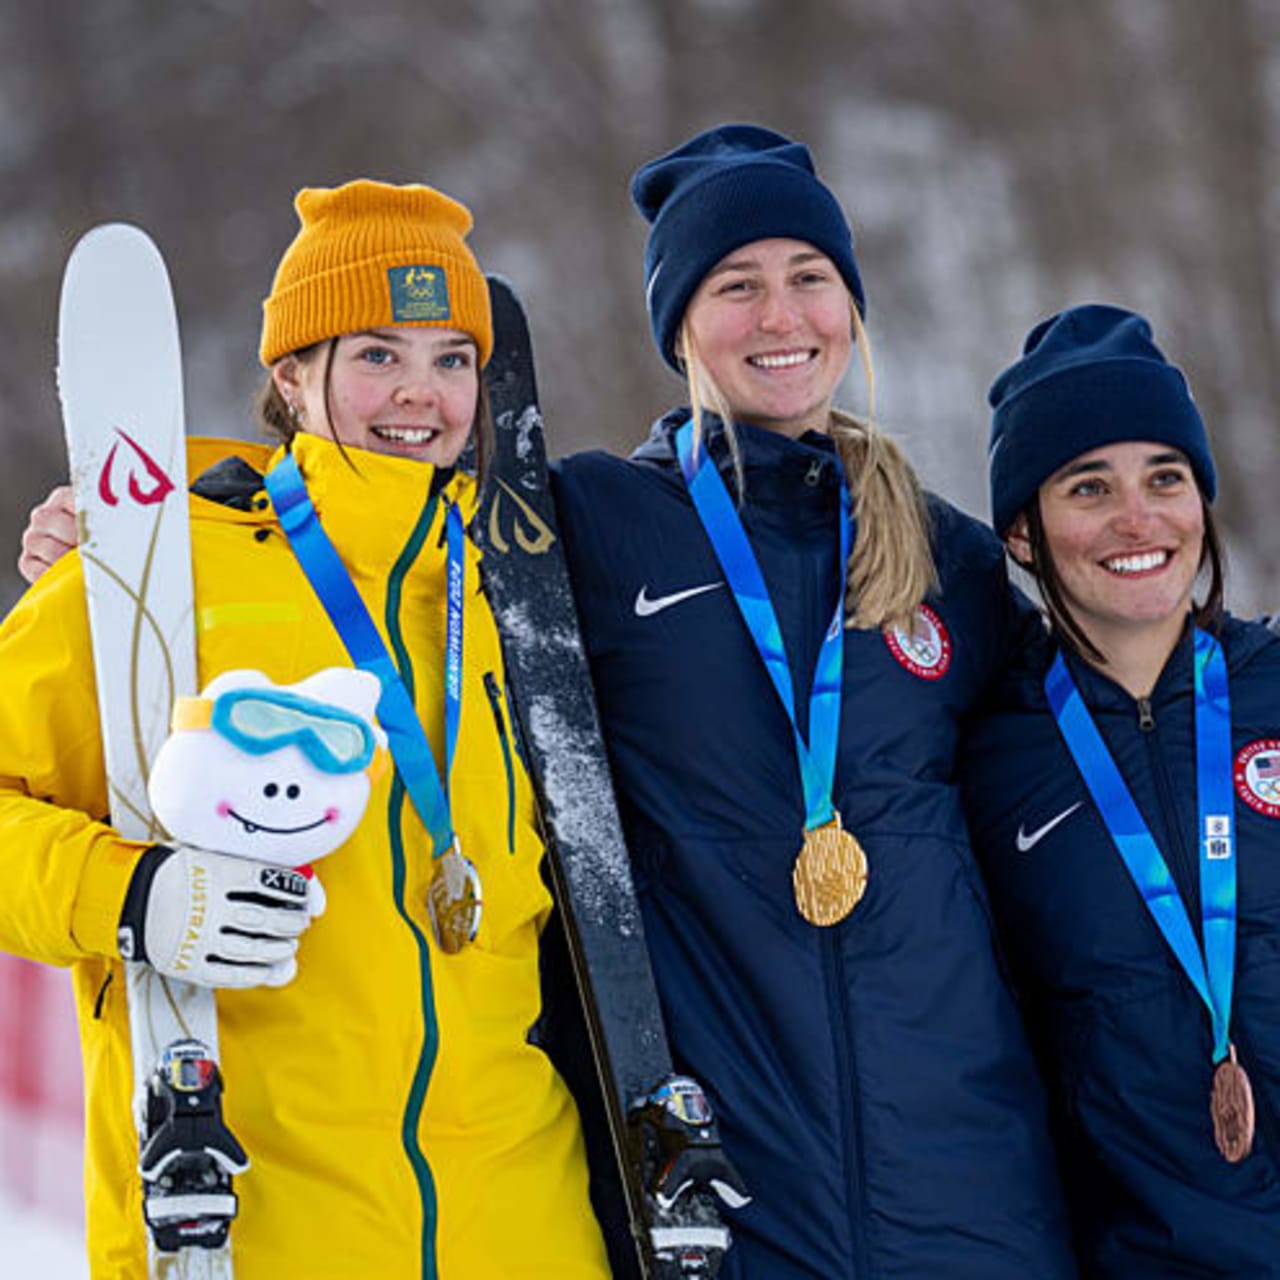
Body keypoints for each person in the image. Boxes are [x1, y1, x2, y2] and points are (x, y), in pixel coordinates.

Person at [0, 180, 609, 1278]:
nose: (419, 394)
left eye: (451, 358)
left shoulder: (523, 594)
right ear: (291, 373)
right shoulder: (160, 567)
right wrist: (128, 895)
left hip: (525, 1213)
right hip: (255, 1217)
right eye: (376, 353)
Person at [550, 125, 1076, 1278]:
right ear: (678, 322)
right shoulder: (594, 522)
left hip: (971, 1187)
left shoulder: (949, 557)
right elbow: (383, 566)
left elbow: (1102, 735)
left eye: (809, 279)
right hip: (731, 1191)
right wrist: (183, 519)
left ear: (851, 304)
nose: (779, 317)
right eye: (735, 286)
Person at [962, 303, 1280, 1277]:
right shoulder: (989, 758)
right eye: (1087, 487)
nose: (1136, 519)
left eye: (1164, 478)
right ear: (1021, 530)